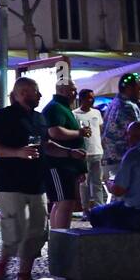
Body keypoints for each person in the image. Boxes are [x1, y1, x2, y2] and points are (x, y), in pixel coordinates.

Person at [0, 77, 59, 280]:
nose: (40, 95)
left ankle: (24, 277)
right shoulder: (5, 116)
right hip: (11, 181)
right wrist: (17, 153)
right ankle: (2, 266)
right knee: (14, 228)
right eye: (36, 92)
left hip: (37, 181)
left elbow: (45, 145)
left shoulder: (39, 117)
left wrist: (68, 152)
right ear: (23, 93)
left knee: (38, 230)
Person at [40, 83, 90, 230]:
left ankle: (59, 236)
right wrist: (79, 133)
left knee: (64, 201)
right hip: (58, 162)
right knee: (64, 201)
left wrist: (80, 168)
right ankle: (60, 237)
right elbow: (55, 132)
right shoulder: (55, 107)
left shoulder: (63, 108)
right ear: (62, 90)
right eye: (72, 90)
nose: (75, 93)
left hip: (68, 162)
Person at [101, 73, 140, 185]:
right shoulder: (128, 106)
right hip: (124, 161)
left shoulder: (112, 104)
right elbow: (138, 136)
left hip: (110, 160)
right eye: (139, 89)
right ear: (129, 89)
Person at [76, 88, 108, 209]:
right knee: (84, 184)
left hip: (98, 151)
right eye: (89, 97)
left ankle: (99, 207)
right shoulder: (75, 114)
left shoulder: (96, 113)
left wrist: (104, 148)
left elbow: (100, 131)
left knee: (97, 183)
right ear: (82, 99)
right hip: (84, 153)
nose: (92, 100)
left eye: (93, 97)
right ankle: (85, 209)